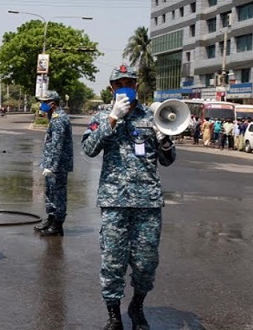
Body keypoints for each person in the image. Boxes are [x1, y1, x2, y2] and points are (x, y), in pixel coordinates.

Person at [81, 65, 176, 330]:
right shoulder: (101, 116)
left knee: (146, 263)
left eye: (130, 83)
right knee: (113, 262)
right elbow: (88, 149)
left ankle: (137, 305)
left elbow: (167, 160)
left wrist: (165, 139)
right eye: (119, 83)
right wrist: (112, 119)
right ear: (111, 88)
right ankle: (113, 315)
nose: (125, 87)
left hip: (148, 202)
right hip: (114, 202)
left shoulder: (153, 116)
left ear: (137, 86)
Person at [33, 90, 73, 236]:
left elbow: (57, 144)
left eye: (44, 102)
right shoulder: (53, 117)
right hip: (51, 163)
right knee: (50, 192)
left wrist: (53, 166)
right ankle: (50, 219)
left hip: (58, 165)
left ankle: (58, 224)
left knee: (59, 193)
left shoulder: (59, 119)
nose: (41, 105)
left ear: (52, 104)